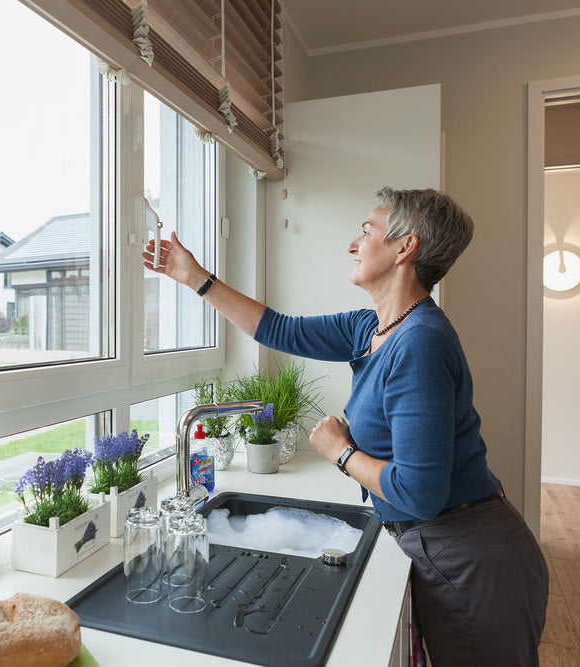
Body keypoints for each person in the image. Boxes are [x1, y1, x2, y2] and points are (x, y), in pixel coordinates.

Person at [143, 187, 549, 666]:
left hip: (470, 558)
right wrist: (193, 277)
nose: (353, 244)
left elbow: (419, 492)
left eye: (366, 231)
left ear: (405, 247)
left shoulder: (419, 344)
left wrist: (340, 451)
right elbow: (278, 330)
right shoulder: (373, 327)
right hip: (445, 544)